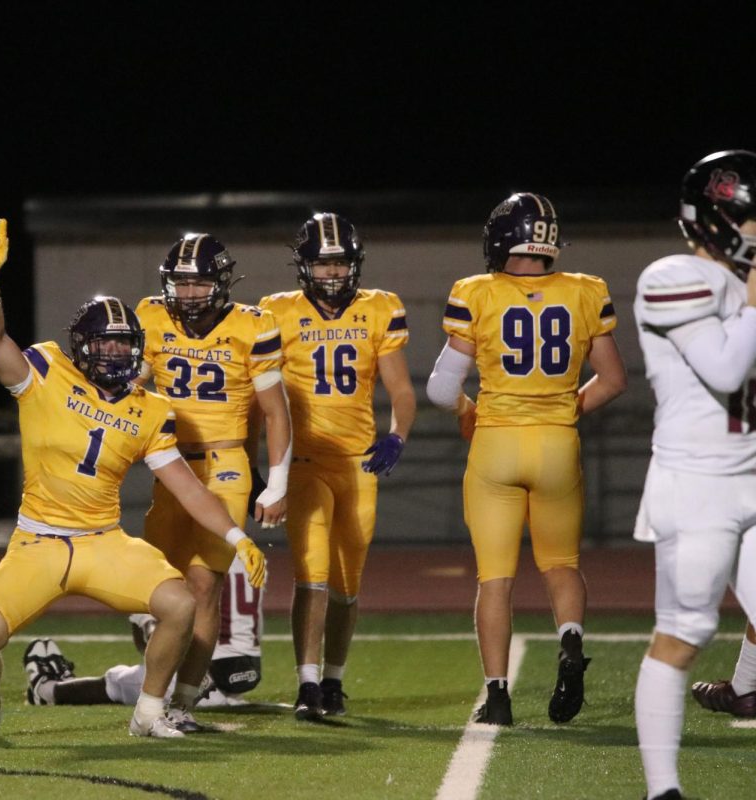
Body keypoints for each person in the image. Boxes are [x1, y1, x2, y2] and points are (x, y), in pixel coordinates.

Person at [0, 220, 266, 742]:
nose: (115, 354)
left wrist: (235, 535)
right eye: (105, 346)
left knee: (181, 604)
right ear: (81, 347)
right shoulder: (44, 373)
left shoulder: (149, 408)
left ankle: (151, 712)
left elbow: (189, 486)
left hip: (102, 541)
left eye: (124, 345)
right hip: (38, 542)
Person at [426, 192, 626, 727]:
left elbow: (443, 389)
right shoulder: (587, 291)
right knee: (562, 566)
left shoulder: (477, 293)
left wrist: (470, 411)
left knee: (495, 579)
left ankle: (496, 697)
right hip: (558, 443)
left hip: (496, 442)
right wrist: (563, 408)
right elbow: (613, 380)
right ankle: (571, 640)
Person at [254, 212, 415, 720]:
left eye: (340, 263)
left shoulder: (379, 308)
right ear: (303, 267)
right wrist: (264, 469)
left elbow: (402, 390)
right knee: (312, 576)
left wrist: (397, 435)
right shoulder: (274, 312)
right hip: (304, 463)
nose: (331, 274)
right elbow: (260, 397)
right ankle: (306, 683)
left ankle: (334, 680)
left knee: (347, 585)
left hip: (359, 465)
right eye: (322, 265)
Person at [632, 150, 756, 800]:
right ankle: (663, 790)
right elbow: (727, 369)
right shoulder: (670, 276)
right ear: (721, 220)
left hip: (753, 476)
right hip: (697, 483)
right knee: (683, 635)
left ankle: (745, 690)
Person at [135, 232, 291, 732]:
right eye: (181, 283)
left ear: (222, 283)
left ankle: (181, 702)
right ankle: (163, 686)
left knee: (203, 586)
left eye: (199, 282)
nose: (189, 293)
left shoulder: (253, 325)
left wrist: (278, 481)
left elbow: (275, 411)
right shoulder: (150, 315)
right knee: (154, 586)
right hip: (170, 464)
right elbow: (130, 386)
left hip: (225, 465)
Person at [23, 555, 262, 708]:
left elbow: (155, 640)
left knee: (119, 680)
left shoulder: (189, 549)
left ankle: (45, 690)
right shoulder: (245, 548)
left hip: (195, 685)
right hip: (243, 675)